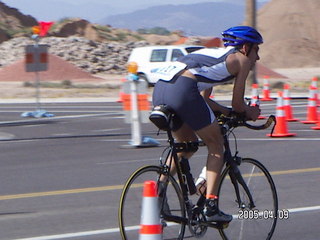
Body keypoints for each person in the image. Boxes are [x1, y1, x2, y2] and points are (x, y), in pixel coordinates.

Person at [152, 26, 263, 223]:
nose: (258, 57)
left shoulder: (213, 55)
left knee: (188, 144)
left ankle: (158, 190)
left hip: (161, 89)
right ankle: (211, 207)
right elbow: (238, 103)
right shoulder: (242, 59)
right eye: (257, 50)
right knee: (216, 144)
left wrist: (227, 112)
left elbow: (205, 99)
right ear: (246, 48)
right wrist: (249, 112)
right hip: (183, 90)